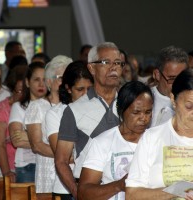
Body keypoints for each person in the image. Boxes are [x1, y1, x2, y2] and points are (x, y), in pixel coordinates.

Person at [55, 42, 124, 199]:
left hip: (124, 190)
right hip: (91, 190)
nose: (114, 68)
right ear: (91, 68)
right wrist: (77, 191)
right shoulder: (74, 110)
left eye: (118, 63)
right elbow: (61, 160)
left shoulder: (130, 106)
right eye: (106, 62)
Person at [126, 67, 193, 200]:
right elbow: (132, 194)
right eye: (189, 106)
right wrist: (177, 190)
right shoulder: (152, 138)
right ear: (173, 100)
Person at [77, 81, 154, 200]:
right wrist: (119, 185)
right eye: (136, 112)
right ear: (121, 110)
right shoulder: (103, 142)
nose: (143, 118)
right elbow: (83, 193)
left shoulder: (156, 140)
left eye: (148, 112)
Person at [45, 60, 93, 200]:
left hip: (96, 185)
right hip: (67, 187)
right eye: (80, 89)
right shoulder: (56, 114)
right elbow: (65, 157)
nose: (85, 95)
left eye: (89, 89)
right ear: (68, 88)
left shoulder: (98, 110)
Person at [25, 55, 72, 196]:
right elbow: (37, 145)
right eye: (61, 78)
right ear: (49, 81)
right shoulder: (37, 107)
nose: (66, 82)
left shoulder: (75, 106)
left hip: (73, 173)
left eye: (68, 78)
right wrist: (67, 157)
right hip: (48, 173)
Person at [8, 62, 47, 183]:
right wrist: (47, 139)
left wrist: (29, 136)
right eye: (36, 79)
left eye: (45, 79)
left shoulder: (54, 107)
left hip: (50, 165)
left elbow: (62, 143)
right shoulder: (19, 107)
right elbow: (17, 140)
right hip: (27, 166)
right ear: (27, 82)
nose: (41, 84)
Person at [0, 65, 26, 181]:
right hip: (4, 165)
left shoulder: (35, 106)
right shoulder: (1, 109)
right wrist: (7, 172)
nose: (23, 94)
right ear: (12, 89)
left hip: (27, 164)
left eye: (26, 90)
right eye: (19, 90)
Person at [150, 46, 188, 127]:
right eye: (172, 79)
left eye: (182, 78)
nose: (178, 84)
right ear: (157, 75)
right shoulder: (142, 99)